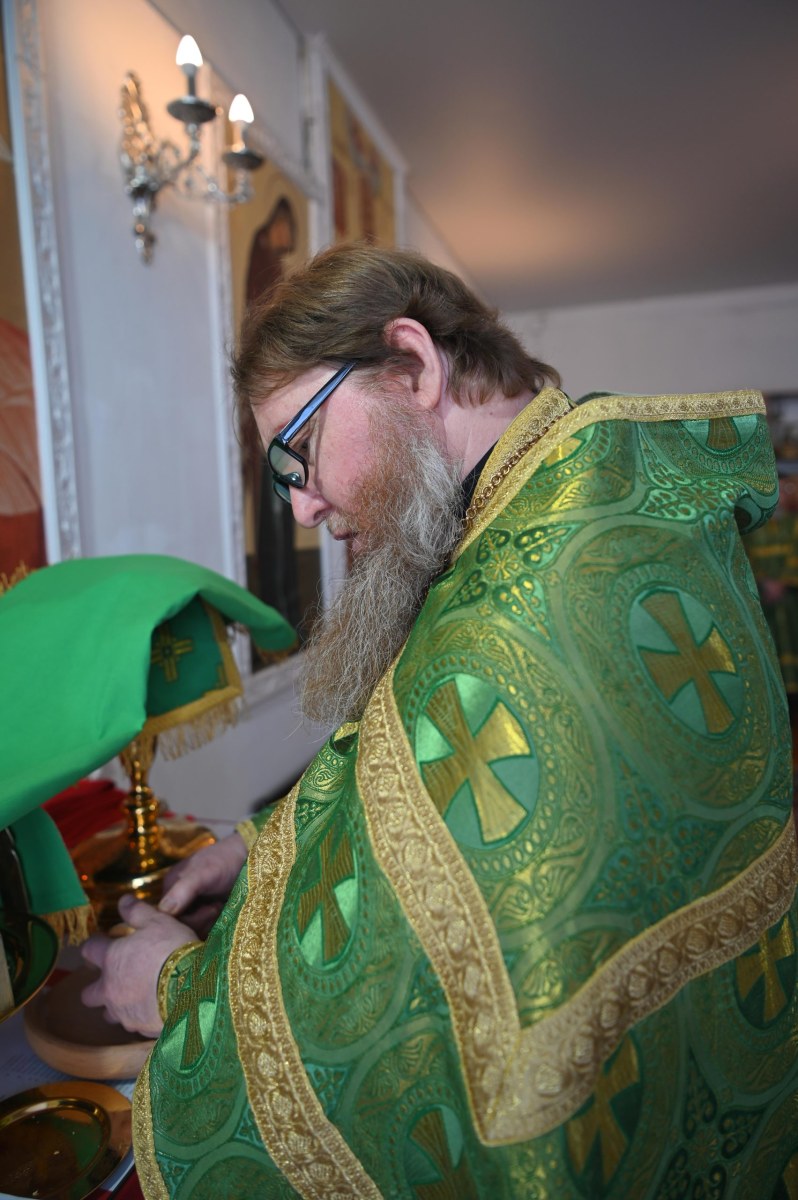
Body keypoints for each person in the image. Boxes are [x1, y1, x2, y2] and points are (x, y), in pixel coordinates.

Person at [82, 245, 798, 1199]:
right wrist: (261, 846)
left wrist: (179, 988)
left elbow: (400, 1017)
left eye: (298, 448)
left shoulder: (519, 608)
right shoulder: (590, 494)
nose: (303, 506)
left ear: (414, 366)